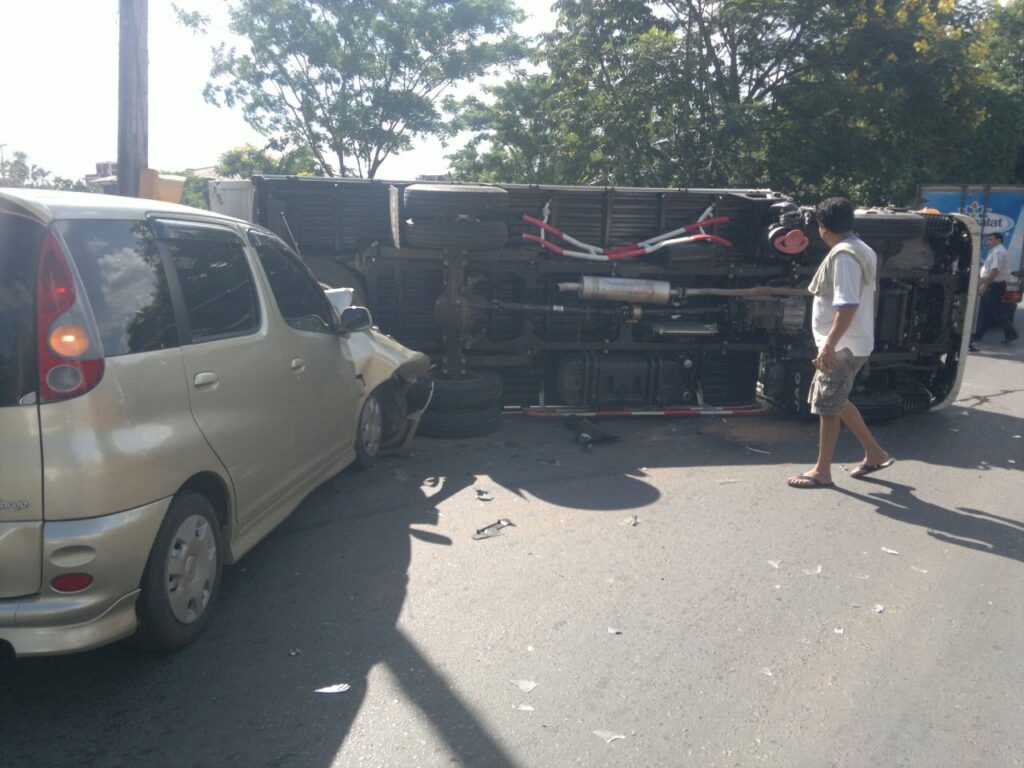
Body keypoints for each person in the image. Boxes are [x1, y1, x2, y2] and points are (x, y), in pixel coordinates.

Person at [788, 197, 892, 489]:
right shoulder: (863, 249)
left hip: (841, 347)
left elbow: (847, 305)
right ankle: (875, 453)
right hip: (852, 342)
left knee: (828, 406)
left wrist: (827, 346)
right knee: (838, 399)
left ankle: (822, 471)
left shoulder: (844, 256)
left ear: (822, 227)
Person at [969, 232, 1018, 350]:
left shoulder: (998, 252)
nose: (987, 242)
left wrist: (984, 285)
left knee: (992, 313)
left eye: (990, 239)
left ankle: (974, 339)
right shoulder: (995, 251)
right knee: (985, 313)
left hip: (993, 286)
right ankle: (975, 338)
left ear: (998, 240)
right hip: (993, 285)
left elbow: (995, 271)